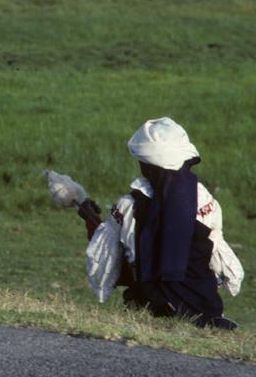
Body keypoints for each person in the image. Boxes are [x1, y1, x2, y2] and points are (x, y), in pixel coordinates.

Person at [77, 117, 243, 330]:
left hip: (151, 312)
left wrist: (93, 222)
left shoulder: (128, 206)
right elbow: (214, 259)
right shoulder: (204, 200)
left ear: (146, 165)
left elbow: (113, 263)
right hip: (206, 311)